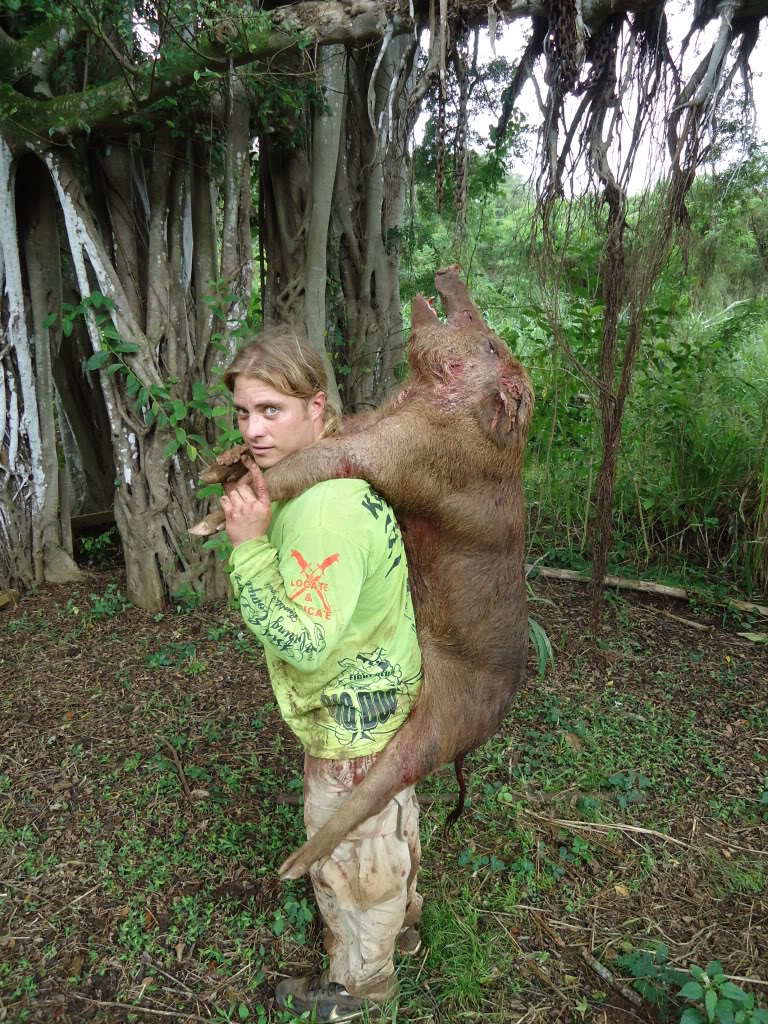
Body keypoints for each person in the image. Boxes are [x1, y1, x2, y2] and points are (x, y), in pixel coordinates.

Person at [219, 328, 424, 1021]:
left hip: (349, 720)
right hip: (384, 697)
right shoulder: (334, 471)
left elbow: (304, 640)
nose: (251, 430)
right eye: (244, 413)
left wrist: (248, 551)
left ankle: (362, 991)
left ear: (316, 406)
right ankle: (401, 928)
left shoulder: (325, 513)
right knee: (388, 829)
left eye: (270, 411)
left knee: (352, 861)